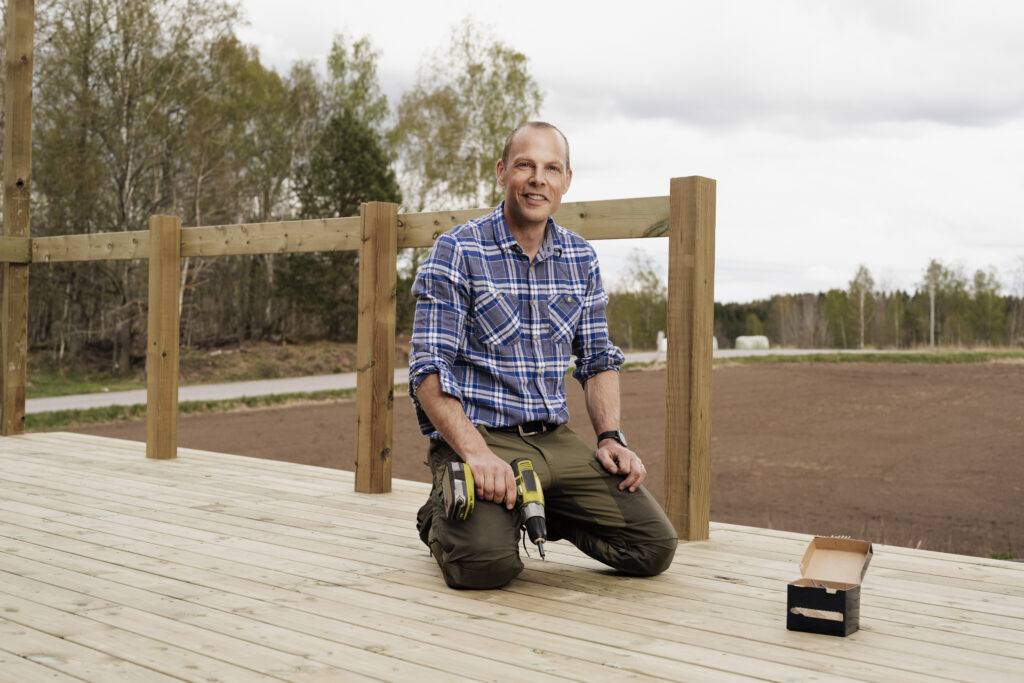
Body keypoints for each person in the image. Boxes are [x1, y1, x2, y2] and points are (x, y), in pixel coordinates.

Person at [409, 121, 677, 589]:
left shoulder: (581, 258)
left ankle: (538, 506)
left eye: (552, 168)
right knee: (485, 566)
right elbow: (427, 371)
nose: (538, 179)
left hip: (556, 441)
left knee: (653, 547)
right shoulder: (457, 250)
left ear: (566, 180)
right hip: (483, 437)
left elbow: (598, 361)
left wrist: (611, 438)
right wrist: (476, 454)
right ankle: (438, 514)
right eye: (525, 165)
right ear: (502, 173)